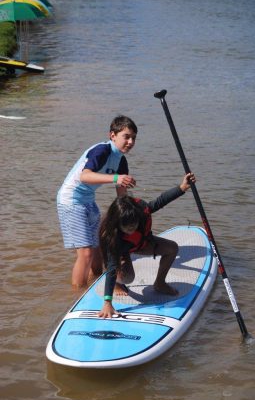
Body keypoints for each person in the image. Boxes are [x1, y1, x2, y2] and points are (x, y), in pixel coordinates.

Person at [98, 172, 196, 318]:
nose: (131, 229)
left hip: (142, 243)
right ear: (118, 224)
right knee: (128, 278)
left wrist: (182, 187)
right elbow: (111, 268)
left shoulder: (141, 210)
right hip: (123, 250)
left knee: (172, 248)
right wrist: (107, 303)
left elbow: (160, 201)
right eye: (127, 227)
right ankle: (118, 284)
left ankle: (160, 283)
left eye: (134, 225)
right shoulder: (113, 237)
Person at [57, 116, 138, 288]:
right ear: (112, 135)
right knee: (85, 254)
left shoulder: (121, 161)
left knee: (98, 250)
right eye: (126, 136)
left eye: (134, 138)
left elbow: (121, 196)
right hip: (70, 200)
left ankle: (96, 284)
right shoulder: (102, 151)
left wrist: (132, 214)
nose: (130, 142)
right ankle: (78, 295)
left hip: (88, 201)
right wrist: (116, 178)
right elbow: (84, 176)